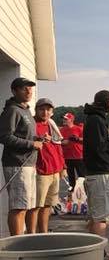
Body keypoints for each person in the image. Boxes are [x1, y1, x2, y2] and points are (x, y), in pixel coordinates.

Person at [83, 90, 109, 260]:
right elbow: (99, 148)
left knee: (95, 216)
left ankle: (97, 251)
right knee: (101, 218)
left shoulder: (94, 118)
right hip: (100, 174)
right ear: (105, 102)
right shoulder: (96, 120)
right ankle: (99, 255)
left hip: (95, 173)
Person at [0, 77, 41, 236]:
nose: (29, 91)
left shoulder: (26, 110)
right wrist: (31, 144)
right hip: (17, 164)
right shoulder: (12, 110)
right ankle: (16, 244)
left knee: (26, 205)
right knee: (18, 206)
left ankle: (24, 241)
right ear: (14, 91)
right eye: (24, 88)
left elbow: (24, 136)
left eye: (30, 88)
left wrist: (37, 140)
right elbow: (4, 136)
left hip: (29, 164)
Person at [27, 98, 66, 233]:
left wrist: (63, 167)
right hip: (40, 171)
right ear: (36, 110)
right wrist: (37, 139)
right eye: (41, 109)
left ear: (52, 112)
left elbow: (58, 146)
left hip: (55, 170)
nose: (45, 112)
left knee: (48, 205)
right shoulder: (31, 124)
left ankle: (43, 233)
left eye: (48, 109)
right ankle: (31, 236)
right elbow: (26, 141)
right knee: (35, 206)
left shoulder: (52, 125)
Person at [61, 112, 84, 188]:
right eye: (64, 118)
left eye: (66, 119)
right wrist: (62, 142)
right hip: (67, 157)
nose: (64, 120)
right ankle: (72, 194)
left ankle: (83, 193)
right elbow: (58, 141)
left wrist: (77, 139)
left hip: (78, 156)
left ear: (71, 120)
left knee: (81, 177)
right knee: (71, 177)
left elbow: (87, 140)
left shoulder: (78, 129)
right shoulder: (62, 130)